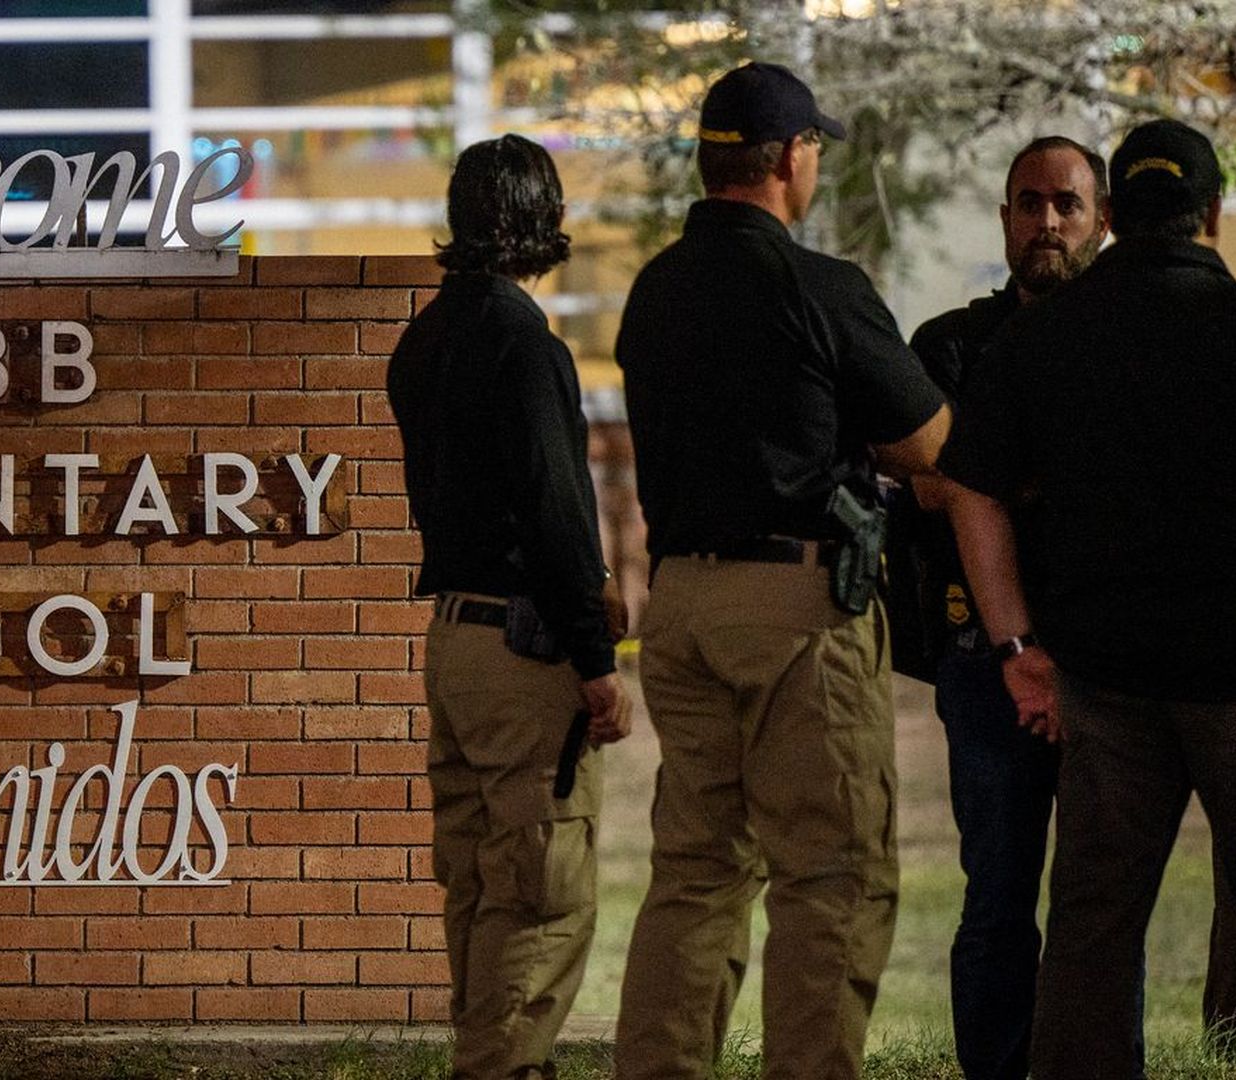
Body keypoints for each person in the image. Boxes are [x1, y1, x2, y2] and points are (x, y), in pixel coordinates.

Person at [610, 62, 950, 1080]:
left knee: (695, 873)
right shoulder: (821, 287)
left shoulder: (655, 289)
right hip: (795, 609)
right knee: (830, 875)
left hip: (680, 606)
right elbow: (930, 444)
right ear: (793, 158)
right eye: (813, 151)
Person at [937, 118, 1236, 1079]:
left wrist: (1015, 642)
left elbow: (972, 488)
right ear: (1214, 215)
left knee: (1093, 929)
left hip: (1102, 686)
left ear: (1110, 216)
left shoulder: (1044, 336)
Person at [387, 133, 633, 1080]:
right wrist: (596, 662)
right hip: (526, 648)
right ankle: (503, 1066)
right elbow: (558, 512)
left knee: (479, 877)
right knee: (541, 885)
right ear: (544, 219)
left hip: (452, 635)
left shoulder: (425, 338)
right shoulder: (524, 346)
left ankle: (484, 1054)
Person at [905, 136, 1109, 1080]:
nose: (1048, 224)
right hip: (986, 661)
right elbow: (930, 483)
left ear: (1102, 220)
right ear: (1003, 218)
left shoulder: (1125, 338)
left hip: (1114, 661)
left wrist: (989, 482)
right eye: (1029, 204)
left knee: (1104, 899)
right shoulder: (950, 346)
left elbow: (970, 481)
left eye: (1067, 205)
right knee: (997, 895)